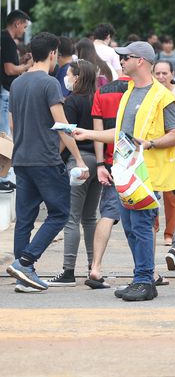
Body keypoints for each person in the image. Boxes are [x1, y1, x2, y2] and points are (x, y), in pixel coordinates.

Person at [74, 41, 175, 301]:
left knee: (143, 226)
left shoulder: (162, 96)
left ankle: (144, 280)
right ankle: (141, 278)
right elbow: (121, 133)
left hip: (148, 174)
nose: (121, 61)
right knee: (132, 227)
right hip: (128, 171)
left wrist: (150, 143)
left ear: (141, 61)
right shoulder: (129, 92)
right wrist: (87, 133)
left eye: (126, 57)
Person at [6, 33, 89, 292]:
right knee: (59, 212)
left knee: (25, 219)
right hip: (45, 159)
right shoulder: (50, 83)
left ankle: (23, 276)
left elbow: (11, 124)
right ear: (53, 53)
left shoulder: (18, 83)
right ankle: (26, 262)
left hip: (21, 159)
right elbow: (62, 126)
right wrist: (77, 159)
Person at [47, 61, 104, 286]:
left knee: (72, 218)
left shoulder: (71, 102)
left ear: (78, 77)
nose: (66, 78)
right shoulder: (96, 99)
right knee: (90, 218)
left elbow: (65, 135)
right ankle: (93, 267)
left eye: (69, 74)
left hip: (77, 162)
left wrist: (54, 159)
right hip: (97, 162)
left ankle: (68, 271)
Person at [86, 73, 132, 289]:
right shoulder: (142, 90)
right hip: (139, 162)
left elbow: (98, 133)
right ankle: (149, 270)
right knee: (146, 216)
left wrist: (100, 164)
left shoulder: (101, 92)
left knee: (107, 214)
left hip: (112, 162)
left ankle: (95, 267)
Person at [0, 10, 32, 192]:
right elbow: (10, 69)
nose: (24, 30)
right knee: (4, 134)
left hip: (4, 90)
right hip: (5, 91)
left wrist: (21, 61)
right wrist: (26, 66)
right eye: (24, 26)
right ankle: (2, 177)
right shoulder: (7, 40)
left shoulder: (5, 39)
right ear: (17, 23)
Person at [153, 61, 175, 245]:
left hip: (174, 147)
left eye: (165, 73)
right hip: (153, 146)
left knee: (172, 193)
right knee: (152, 191)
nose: (161, 77)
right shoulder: (149, 91)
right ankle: (152, 227)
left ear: (172, 74)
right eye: (158, 73)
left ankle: (170, 233)